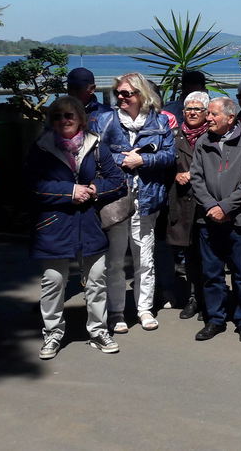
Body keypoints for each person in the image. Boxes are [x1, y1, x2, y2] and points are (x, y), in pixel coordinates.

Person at [25, 96, 128, 359]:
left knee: (96, 281)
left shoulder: (95, 145)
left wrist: (95, 190)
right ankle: (52, 333)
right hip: (54, 224)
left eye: (69, 115)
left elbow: (117, 180)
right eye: (58, 116)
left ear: (81, 118)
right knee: (54, 282)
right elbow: (33, 185)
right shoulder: (41, 147)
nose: (64, 120)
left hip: (89, 222)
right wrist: (70, 191)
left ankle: (98, 330)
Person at [93, 73, 175, 334]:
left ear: (141, 95)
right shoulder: (106, 121)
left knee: (145, 257)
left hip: (147, 199)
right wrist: (123, 160)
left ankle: (144, 308)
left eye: (127, 93)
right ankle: (116, 311)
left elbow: (169, 155)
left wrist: (143, 161)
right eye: (118, 93)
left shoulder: (160, 122)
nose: (121, 97)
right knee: (115, 260)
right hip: (116, 200)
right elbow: (95, 154)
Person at [190, 97, 241, 342]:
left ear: (230, 118)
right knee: (212, 273)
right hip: (208, 220)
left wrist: (226, 207)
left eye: (213, 114)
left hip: (238, 219)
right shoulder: (202, 142)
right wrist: (211, 206)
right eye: (208, 113)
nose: (207, 118)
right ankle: (215, 319)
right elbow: (195, 178)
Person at [168, 91, 211, 321]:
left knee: (210, 257)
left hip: (206, 204)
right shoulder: (174, 136)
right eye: (188, 109)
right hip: (183, 203)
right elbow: (164, 164)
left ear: (206, 113)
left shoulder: (213, 136)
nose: (192, 113)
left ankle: (209, 301)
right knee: (190, 256)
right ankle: (194, 298)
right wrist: (175, 173)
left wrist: (191, 174)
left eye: (198, 109)